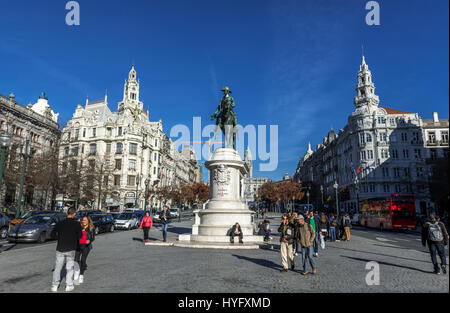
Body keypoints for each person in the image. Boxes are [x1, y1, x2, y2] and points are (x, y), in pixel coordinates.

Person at [51, 207, 82, 292]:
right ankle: (69, 285)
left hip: (60, 248)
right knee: (69, 268)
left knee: (57, 268)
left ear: (67, 213)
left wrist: (60, 238)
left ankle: (55, 285)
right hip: (71, 248)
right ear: (74, 213)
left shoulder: (60, 223)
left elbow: (52, 234)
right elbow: (80, 236)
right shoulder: (76, 224)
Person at [74, 215, 95, 285]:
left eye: (85, 220)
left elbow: (93, 237)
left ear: (88, 221)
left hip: (86, 246)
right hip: (78, 245)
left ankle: (81, 275)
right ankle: (76, 272)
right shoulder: (79, 227)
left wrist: (89, 240)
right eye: (83, 220)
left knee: (83, 260)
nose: (84, 221)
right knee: (76, 259)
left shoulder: (91, 228)